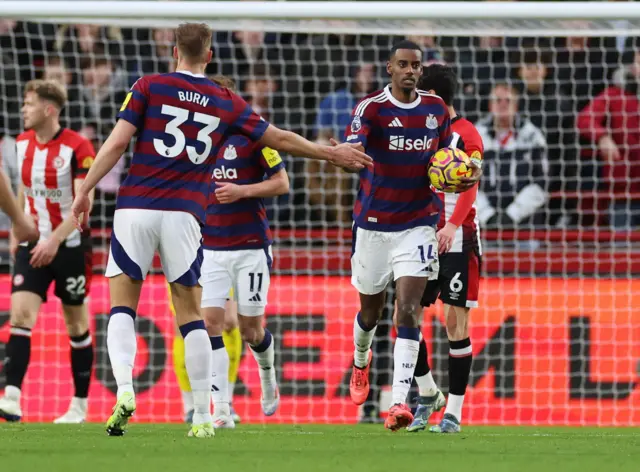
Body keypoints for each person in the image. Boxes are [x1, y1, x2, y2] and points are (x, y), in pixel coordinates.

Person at [70, 22, 371, 439]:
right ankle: (203, 417)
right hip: (186, 215)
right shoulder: (226, 100)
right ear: (209, 56)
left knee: (123, 307)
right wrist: (329, 152)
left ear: (174, 50)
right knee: (193, 316)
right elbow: (280, 137)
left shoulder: (148, 86)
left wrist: (84, 189)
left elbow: (118, 142)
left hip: (136, 207)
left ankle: (124, 389)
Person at [345, 41, 480, 431]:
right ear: (389, 67)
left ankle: (400, 402)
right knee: (369, 314)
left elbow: (445, 163)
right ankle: (360, 359)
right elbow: (353, 149)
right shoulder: (370, 109)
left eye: (415, 65)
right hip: (373, 224)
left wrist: (463, 174)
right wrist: (348, 156)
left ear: (421, 70)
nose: (409, 70)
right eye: (402, 64)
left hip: (418, 224)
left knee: (407, 310)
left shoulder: (436, 111)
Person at [0, 79, 96, 424]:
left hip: (68, 247)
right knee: (21, 317)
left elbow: (85, 207)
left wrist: (54, 240)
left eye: (29, 104)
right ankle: (11, 398)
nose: (23, 110)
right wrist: (18, 228)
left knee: (76, 326)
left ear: (49, 109)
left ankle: (79, 406)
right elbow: (26, 191)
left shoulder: (79, 147)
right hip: (32, 244)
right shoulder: (21, 144)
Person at [199, 75, 290, 428]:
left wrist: (242, 191)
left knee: (252, 331)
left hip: (251, 246)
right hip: (212, 247)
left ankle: (267, 373)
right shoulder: (197, 142)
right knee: (211, 323)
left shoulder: (255, 136)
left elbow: (282, 182)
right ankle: (221, 408)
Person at [405, 64, 483, 434]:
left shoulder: (467, 134)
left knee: (455, 322)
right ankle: (427, 391)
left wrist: (452, 225)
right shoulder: (422, 132)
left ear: (435, 96)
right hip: (420, 235)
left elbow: (470, 182)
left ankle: (453, 413)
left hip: (458, 236)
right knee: (405, 316)